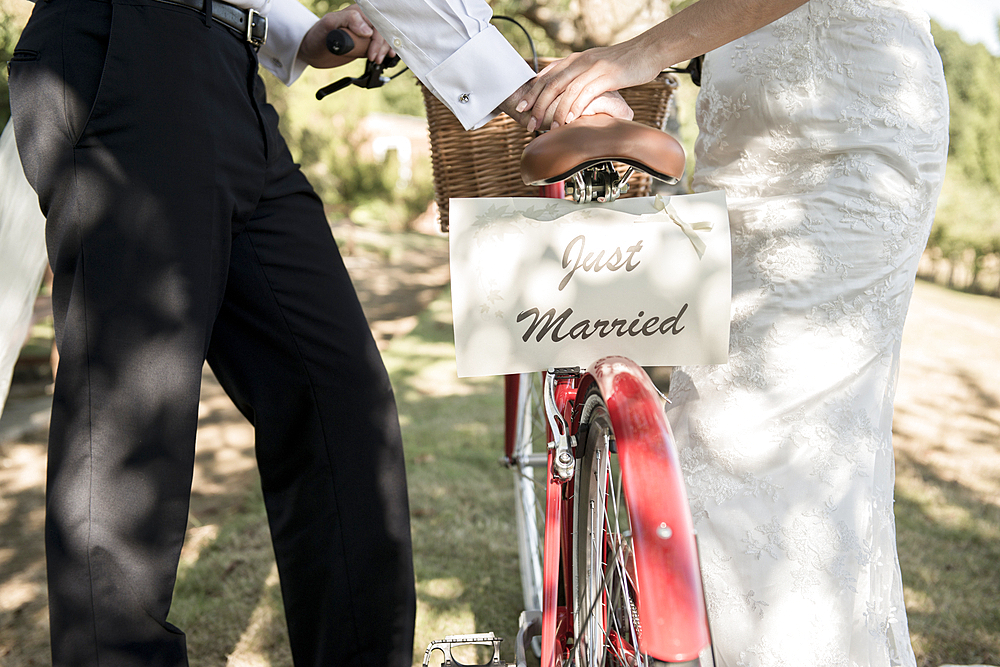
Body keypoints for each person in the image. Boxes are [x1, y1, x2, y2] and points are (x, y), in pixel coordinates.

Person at [6, 0, 631, 664]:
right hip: (128, 49)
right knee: (134, 423)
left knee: (341, 400)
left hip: (228, 70)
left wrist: (293, 32)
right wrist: (523, 89)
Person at [513, 1, 949, 665]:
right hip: (740, 137)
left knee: (771, 442)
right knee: (703, 429)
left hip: (852, 119)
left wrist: (629, 57)